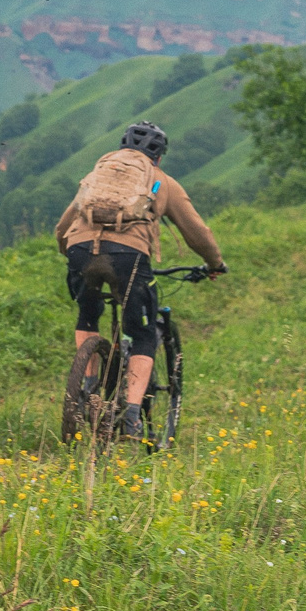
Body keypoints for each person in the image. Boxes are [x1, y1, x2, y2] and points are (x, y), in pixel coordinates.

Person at [53, 121, 227, 440]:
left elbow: (64, 223)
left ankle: (85, 390)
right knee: (142, 333)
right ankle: (132, 415)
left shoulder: (99, 174)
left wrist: (70, 252)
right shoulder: (162, 182)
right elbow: (197, 232)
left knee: (87, 316)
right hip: (127, 256)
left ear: (122, 147)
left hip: (80, 250)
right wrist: (214, 263)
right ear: (158, 157)